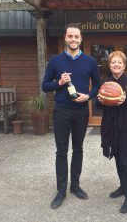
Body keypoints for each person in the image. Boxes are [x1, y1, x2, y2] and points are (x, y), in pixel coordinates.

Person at [42, 23, 100, 209]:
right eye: (70, 36)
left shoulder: (90, 61)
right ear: (65, 38)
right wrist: (59, 82)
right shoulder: (55, 61)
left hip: (81, 111)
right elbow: (45, 86)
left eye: (77, 36)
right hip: (61, 110)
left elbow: (98, 85)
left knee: (78, 149)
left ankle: (75, 186)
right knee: (61, 151)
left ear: (81, 39)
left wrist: (89, 96)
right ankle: (61, 190)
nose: (73, 39)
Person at [97, 51, 127, 214]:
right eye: (113, 62)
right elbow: (98, 104)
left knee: (125, 160)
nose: (116, 65)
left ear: (124, 65)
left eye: (119, 62)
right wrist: (101, 101)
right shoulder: (106, 82)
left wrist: (125, 100)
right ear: (109, 65)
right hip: (110, 126)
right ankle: (123, 187)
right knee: (116, 157)